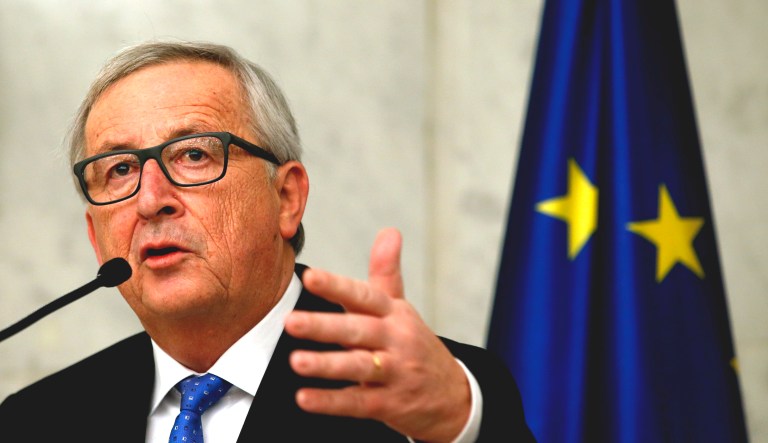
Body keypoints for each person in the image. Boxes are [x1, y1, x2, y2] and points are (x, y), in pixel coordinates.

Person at [0, 40, 534, 442]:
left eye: (193, 155)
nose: (150, 200)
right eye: (119, 169)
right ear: (97, 238)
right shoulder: (34, 421)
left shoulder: (421, 400)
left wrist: (453, 425)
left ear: (287, 198)